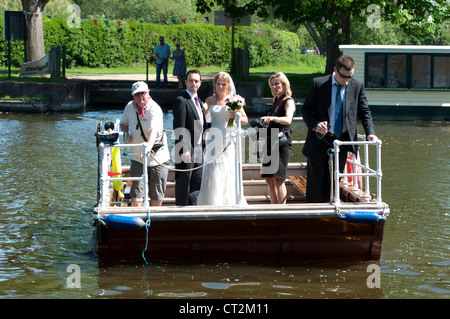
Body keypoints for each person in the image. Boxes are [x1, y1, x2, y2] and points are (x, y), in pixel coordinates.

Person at [301, 55, 378, 203]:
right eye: (344, 76)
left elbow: (365, 112)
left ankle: (330, 212)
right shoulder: (319, 84)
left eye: (350, 76)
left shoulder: (357, 85)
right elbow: (306, 110)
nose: (346, 80)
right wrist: (315, 125)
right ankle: (314, 215)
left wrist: (371, 133)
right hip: (319, 140)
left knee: (334, 181)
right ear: (335, 70)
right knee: (316, 183)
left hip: (342, 141)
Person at [197, 72, 248, 206]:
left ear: (227, 85)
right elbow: (206, 118)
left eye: (223, 84)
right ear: (214, 84)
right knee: (212, 168)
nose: (220, 86)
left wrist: (235, 116)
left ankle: (227, 202)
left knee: (226, 168)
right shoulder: (209, 100)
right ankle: (211, 201)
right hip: (213, 139)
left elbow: (245, 119)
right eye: (218, 83)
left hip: (228, 139)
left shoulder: (233, 100)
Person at [120, 81, 170, 206]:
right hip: (137, 156)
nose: (140, 97)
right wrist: (127, 135)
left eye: (143, 93)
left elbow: (154, 132)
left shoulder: (155, 109)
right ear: (133, 96)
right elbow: (123, 123)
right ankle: (137, 216)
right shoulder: (129, 107)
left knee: (157, 191)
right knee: (137, 190)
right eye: (137, 94)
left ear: (148, 93)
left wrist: (147, 147)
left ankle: (154, 218)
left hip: (157, 156)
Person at [260, 72, 296, 204]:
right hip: (270, 139)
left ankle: (282, 210)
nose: (275, 87)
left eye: (277, 84)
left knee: (278, 179)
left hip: (282, 140)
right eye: (272, 85)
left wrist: (273, 118)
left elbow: (288, 120)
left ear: (284, 85)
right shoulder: (275, 100)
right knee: (269, 179)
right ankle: (273, 208)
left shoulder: (289, 101)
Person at [173, 69, 207, 205]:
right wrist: (183, 149)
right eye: (191, 81)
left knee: (196, 182)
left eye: (196, 81)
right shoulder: (181, 100)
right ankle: (181, 210)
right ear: (185, 82)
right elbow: (179, 127)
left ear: (200, 83)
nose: (194, 83)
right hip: (187, 148)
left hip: (199, 147)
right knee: (184, 181)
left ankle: (193, 208)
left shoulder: (199, 101)